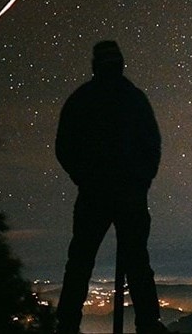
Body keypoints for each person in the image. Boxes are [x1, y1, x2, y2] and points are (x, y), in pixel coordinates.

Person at [55, 40, 166, 334]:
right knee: (136, 261)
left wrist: (84, 177)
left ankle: (66, 325)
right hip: (124, 194)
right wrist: (140, 182)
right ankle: (148, 324)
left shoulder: (82, 99)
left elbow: (64, 147)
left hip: (97, 194)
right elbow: (152, 146)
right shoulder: (133, 99)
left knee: (81, 261)